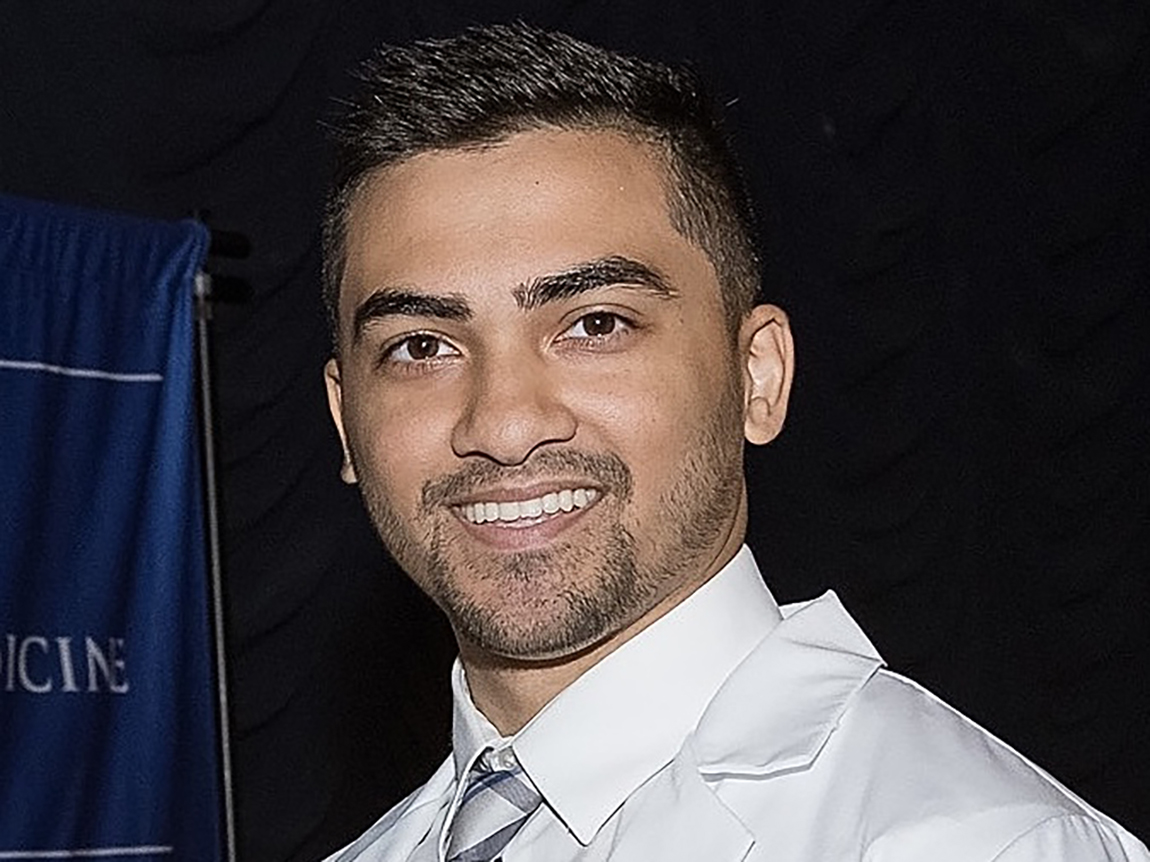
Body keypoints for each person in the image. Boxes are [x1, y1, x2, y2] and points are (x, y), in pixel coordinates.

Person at [318, 22, 1149, 862]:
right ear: (346, 417)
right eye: (421, 346)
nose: (502, 424)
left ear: (758, 377)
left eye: (595, 325)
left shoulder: (980, 844)